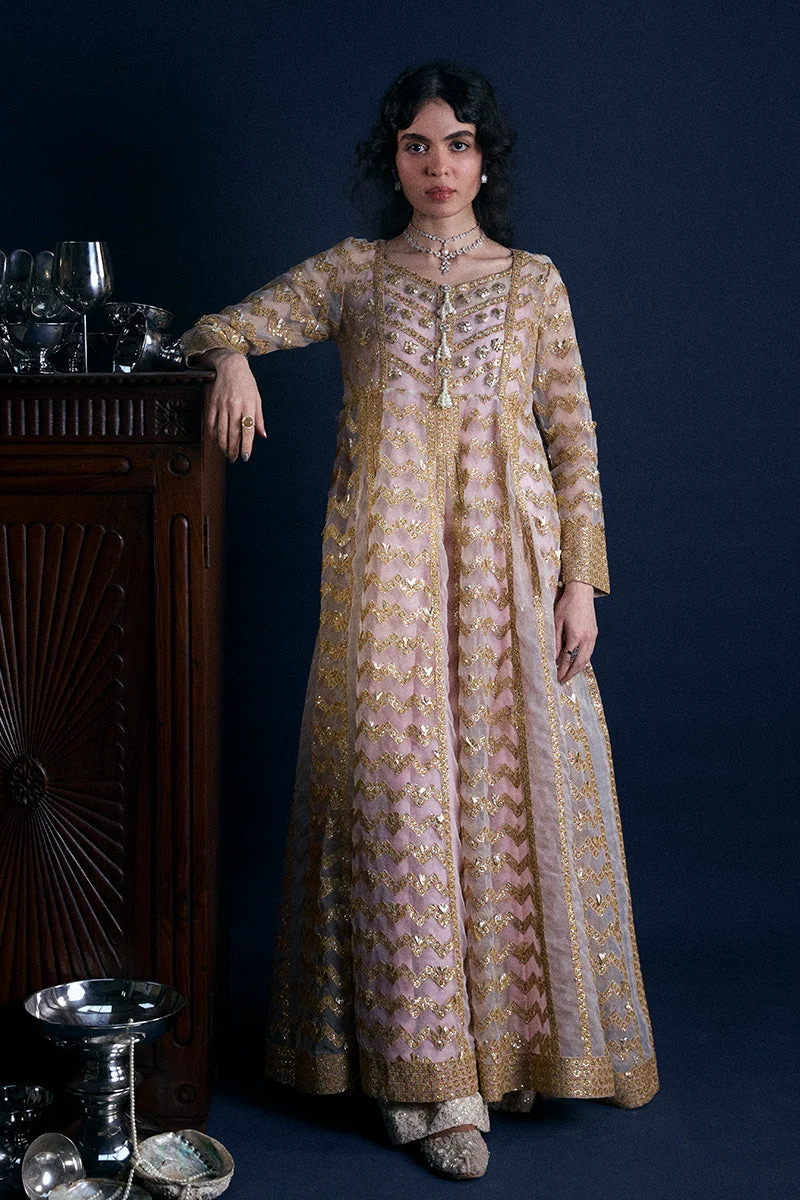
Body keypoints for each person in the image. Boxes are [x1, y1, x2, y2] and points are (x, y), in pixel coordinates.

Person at [182, 60, 659, 1182]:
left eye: (456, 144)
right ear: (390, 159)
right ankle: (424, 1078)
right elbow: (216, 323)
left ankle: (509, 1057)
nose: (437, 165)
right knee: (397, 796)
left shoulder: (533, 284)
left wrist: (578, 582)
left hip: (508, 577)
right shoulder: (355, 275)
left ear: (484, 160)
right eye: (415, 144)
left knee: (505, 794)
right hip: (387, 575)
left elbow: (574, 438)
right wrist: (233, 359)